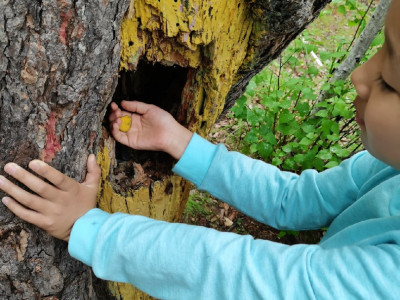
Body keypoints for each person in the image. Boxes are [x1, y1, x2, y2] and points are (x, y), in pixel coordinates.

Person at [1, 1, 400, 298]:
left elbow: (258, 278)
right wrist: (179, 141)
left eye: (389, 81)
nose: (361, 77)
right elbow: (292, 200)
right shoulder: (388, 166)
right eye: (381, 51)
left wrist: (91, 230)